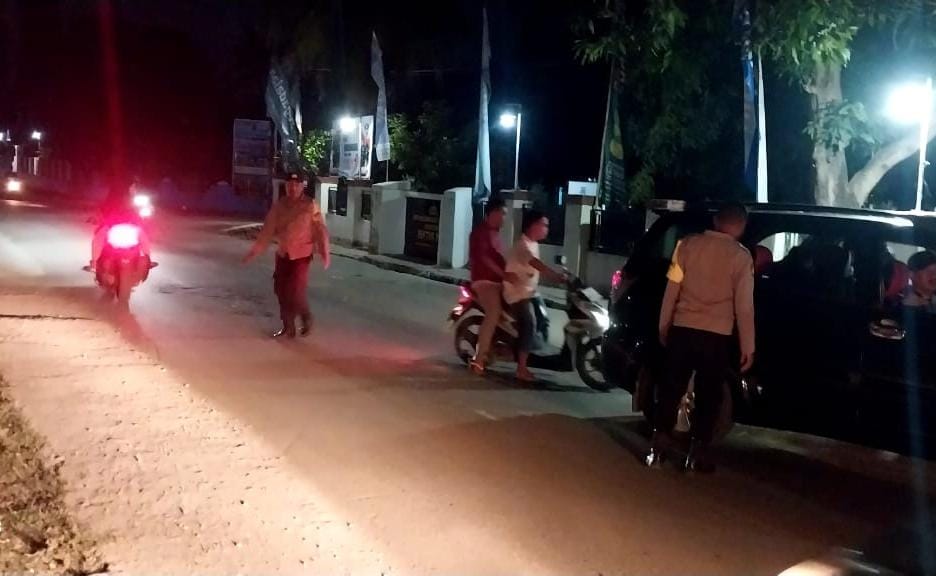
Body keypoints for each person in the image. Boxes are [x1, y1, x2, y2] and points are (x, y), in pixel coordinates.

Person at [649, 202, 755, 473]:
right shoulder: (741, 257)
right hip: (717, 336)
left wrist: (664, 325)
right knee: (709, 396)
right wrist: (748, 345)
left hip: (683, 329)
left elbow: (671, 290)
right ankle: (696, 455)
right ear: (741, 227)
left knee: (671, 389)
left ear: (716, 221)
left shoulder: (686, 246)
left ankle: (657, 449)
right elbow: (744, 306)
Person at [243, 172, 330, 338]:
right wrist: (255, 251)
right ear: (286, 186)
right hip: (284, 253)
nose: (293, 188)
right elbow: (268, 230)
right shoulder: (280, 205)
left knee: (296, 291)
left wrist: (324, 251)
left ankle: (305, 316)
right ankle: (288, 326)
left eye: (297, 185)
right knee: (280, 290)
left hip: (302, 255)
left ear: (302, 186)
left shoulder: (310, 205)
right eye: (290, 184)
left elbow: (320, 230)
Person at [502, 209, 566, 382]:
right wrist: (555, 276)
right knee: (529, 325)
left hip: (529, 291)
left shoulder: (534, 244)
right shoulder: (522, 246)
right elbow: (536, 264)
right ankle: (521, 368)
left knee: (543, 320)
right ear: (532, 226)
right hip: (516, 293)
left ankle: (534, 351)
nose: (546, 229)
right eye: (543, 225)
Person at [468, 197, 511, 374]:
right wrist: (503, 274)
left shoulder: (496, 235)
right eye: (503, 213)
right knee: (494, 312)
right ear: (493, 213)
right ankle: (478, 359)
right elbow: (484, 258)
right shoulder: (481, 232)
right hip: (484, 281)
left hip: (499, 282)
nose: (505, 218)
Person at [89, 183, 150, 271]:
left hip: (123, 225)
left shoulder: (137, 200)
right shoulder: (114, 197)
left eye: (134, 187)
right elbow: (102, 212)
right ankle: (95, 263)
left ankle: (94, 263)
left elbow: (143, 214)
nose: (133, 189)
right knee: (99, 237)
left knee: (99, 237)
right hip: (115, 225)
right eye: (132, 186)